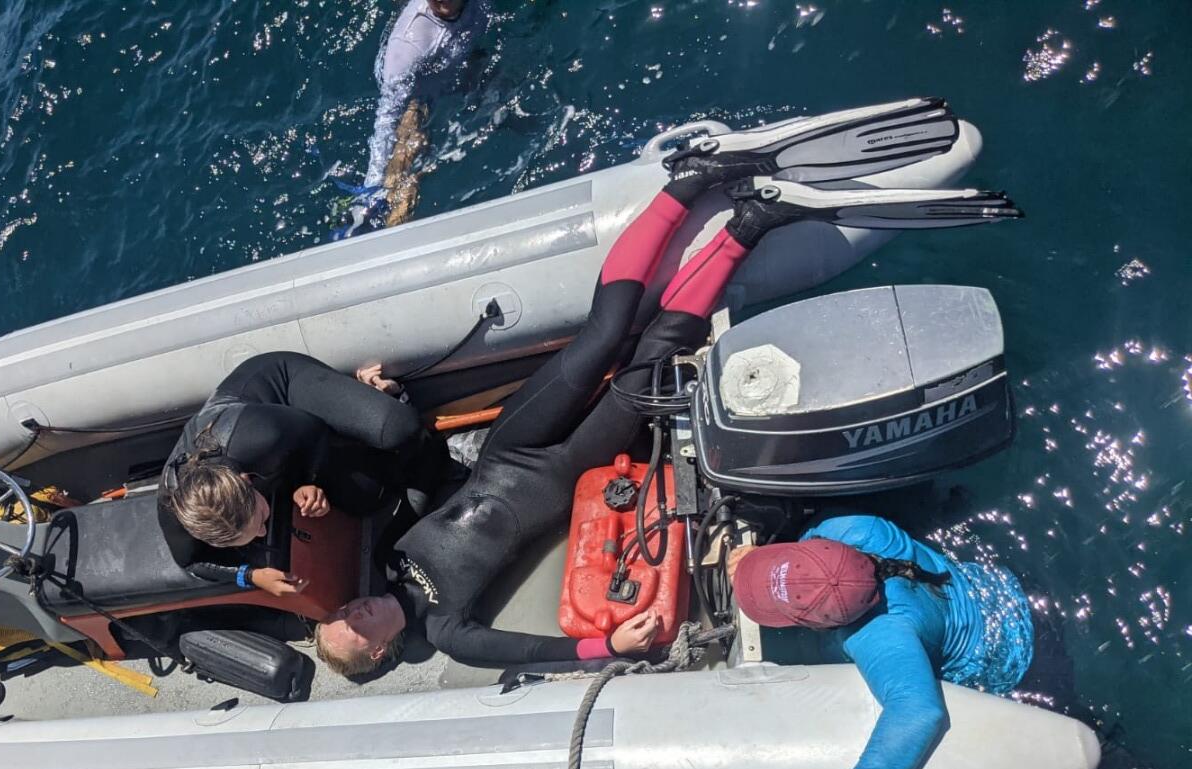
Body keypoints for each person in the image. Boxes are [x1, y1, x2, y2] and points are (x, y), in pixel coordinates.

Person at [314, 139, 1021, 675]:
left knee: (602, 337)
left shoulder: (387, 556)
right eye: (353, 627)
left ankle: (686, 184)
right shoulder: (447, 631)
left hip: (511, 447)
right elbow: (524, 651)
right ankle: (749, 226)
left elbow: (417, 476)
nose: (353, 610)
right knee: (651, 359)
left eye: (342, 611)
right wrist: (605, 647)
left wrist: (371, 415)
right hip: (569, 471)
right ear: (378, 652)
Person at [725, 514, 1038, 769]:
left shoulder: (876, 635)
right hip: (999, 588)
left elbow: (918, 712)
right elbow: (809, 566)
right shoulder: (854, 530)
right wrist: (758, 563)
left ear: (819, 625)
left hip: (1004, 655)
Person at [158, 350, 442, 597]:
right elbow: (189, 563)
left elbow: (314, 433)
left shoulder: (260, 436)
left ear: (247, 482)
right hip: (273, 458)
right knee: (368, 498)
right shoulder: (174, 511)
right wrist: (251, 576)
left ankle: (380, 399)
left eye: (260, 518)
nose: (263, 531)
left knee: (399, 429)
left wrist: (307, 482)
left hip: (284, 392)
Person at [340, 0, 489, 236]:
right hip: (419, 99)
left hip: (462, 65)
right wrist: (372, 188)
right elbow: (386, 118)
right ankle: (377, 223)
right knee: (408, 161)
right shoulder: (409, 44)